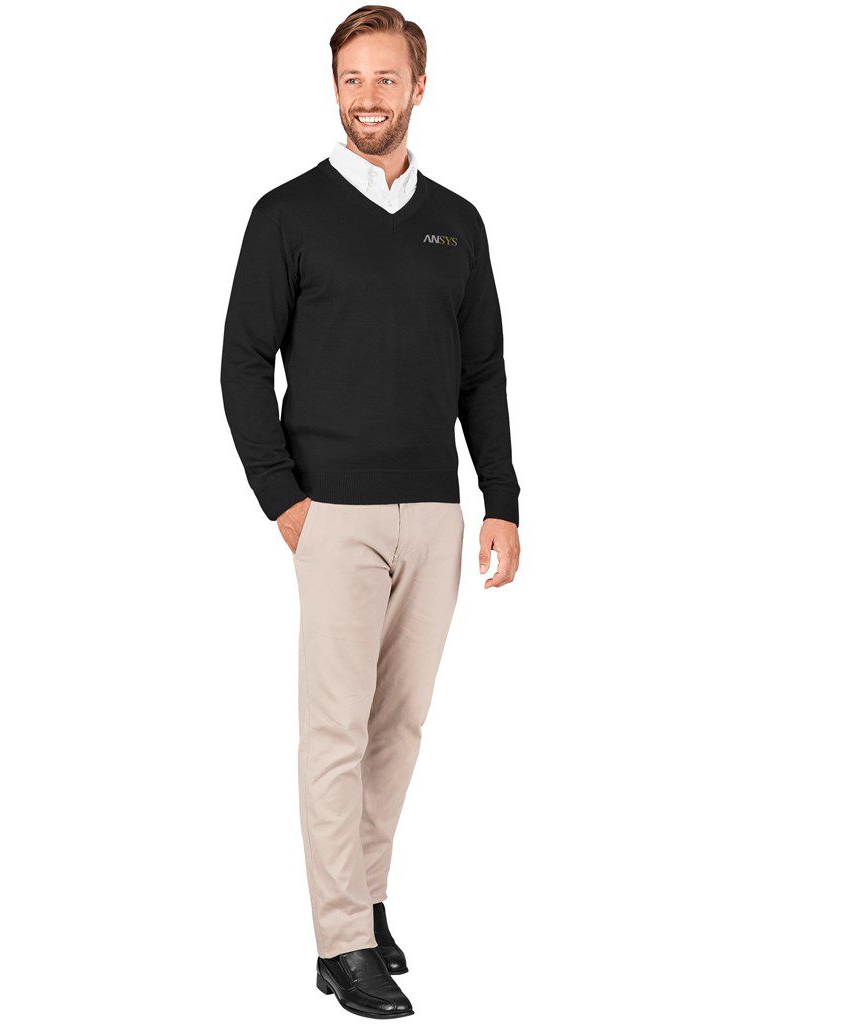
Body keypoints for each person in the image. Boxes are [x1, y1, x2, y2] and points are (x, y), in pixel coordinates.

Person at [220, 6, 520, 1017]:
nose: (368, 97)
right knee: (334, 732)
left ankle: (368, 899)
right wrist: (284, 501)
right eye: (352, 79)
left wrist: (501, 499)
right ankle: (339, 939)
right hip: (333, 515)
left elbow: (482, 373)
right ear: (334, 88)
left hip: (435, 512)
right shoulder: (287, 215)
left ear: (419, 88)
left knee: (398, 726)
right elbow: (241, 363)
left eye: (386, 78)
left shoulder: (458, 222)